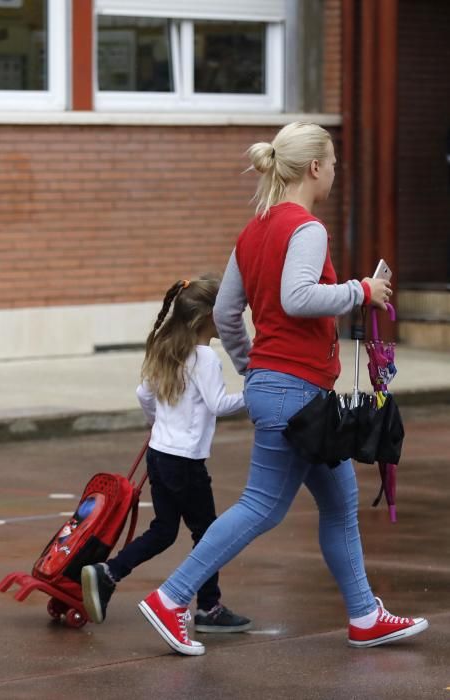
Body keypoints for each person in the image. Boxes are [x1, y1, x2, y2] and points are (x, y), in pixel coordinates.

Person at [137, 122, 429, 655]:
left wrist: (254, 368)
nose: (336, 172)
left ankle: (365, 614)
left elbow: (226, 313)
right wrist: (361, 289)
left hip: (287, 387)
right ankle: (172, 597)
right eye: (334, 163)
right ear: (315, 168)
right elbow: (297, 298)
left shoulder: (253, 231)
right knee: (263, 506)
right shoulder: (307, 227)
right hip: (297, 390)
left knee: (339, 504)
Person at [81, 277, 251, 633]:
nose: (233, 316)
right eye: (226, 311)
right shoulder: (205, 358)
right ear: (207, 316)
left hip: (159, 455)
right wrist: (258, 393)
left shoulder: (169, 347)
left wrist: (157, 423)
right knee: (209, 533)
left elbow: (143, 393)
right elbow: (219, 404)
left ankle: (108, 572)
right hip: (186, 462)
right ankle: (209, 608)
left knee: (164, 530)